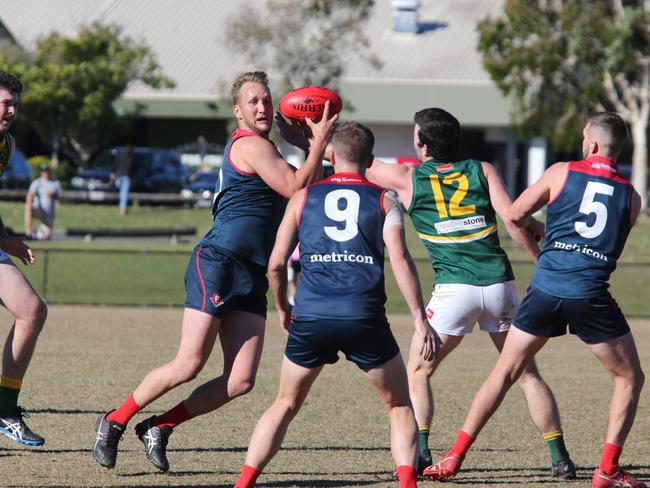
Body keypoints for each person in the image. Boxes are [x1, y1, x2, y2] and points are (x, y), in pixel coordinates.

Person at [92, 71, 338, 471]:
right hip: (220, 261)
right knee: (189, 363)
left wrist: (312, 145)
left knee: (240, 381)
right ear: (238, 111)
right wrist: (317, 144)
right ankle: (114, 421)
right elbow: (296, 187)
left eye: (267, 100)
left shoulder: (271, 149)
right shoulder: (252, 145)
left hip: (253, 272)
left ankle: (160, 426)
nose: (262, 106)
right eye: (253, 101)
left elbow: (322, 180)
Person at [424, 112, 645, 488]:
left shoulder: (560, 172)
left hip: (544, 290)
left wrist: (546, 232)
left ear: (590, 143)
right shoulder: (633, 197)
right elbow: (606, 245)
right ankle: (607, 470)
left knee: (505, 373)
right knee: (629, 378)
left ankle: (453, 456)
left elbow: (513, 214)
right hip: (590, 295)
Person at [363, 107, 575, 478]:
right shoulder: (483, 169)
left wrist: (312, 139)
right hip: (499, 286)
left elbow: (352, 158)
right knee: (525, 374)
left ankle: (423, 452)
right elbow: (513, 217)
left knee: (417, 372)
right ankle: (560, 459)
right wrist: (541, 258)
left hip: (454, 292)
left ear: (423, 145)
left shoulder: (409, 178)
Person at [233, 121, 439, 488]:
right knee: (399, 405)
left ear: (332, 156)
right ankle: (408, 484)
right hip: (364, 317)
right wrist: (420, 320)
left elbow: (276, 264)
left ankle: (244, 482)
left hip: (311, 316)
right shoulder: (384, 200)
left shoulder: (302, 197)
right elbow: (402, 261)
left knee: (285, 403)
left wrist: (283, 308)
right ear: (371, 160)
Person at [0, 70, 48, 446]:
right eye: (5, 102)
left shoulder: (6, 144)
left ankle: (5, 409)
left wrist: (6, 239)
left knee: (32, 309)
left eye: (15, 103)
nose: (12, 109)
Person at [24, 163, 61, 240]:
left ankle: (38, 233)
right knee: (28, 208)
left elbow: (61, 197)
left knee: (46, 237)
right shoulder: (37, 182)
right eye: (44, 171)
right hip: (39, 210)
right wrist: (29, 203)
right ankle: (29, 233)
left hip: (49, 214)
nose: (45, 173)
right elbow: (30, 194)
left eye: (47, 171)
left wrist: (52, 195)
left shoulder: (55, 183)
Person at [112, 144, 135, 216]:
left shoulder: (120, 156)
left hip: (119, 177)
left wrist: (113, 173)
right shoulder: (132, 158)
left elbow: (115, 165)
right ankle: (123, 209)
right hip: (126, 177)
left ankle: (124, 207)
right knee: (124, 194)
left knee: (122, 192)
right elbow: (133, 169)